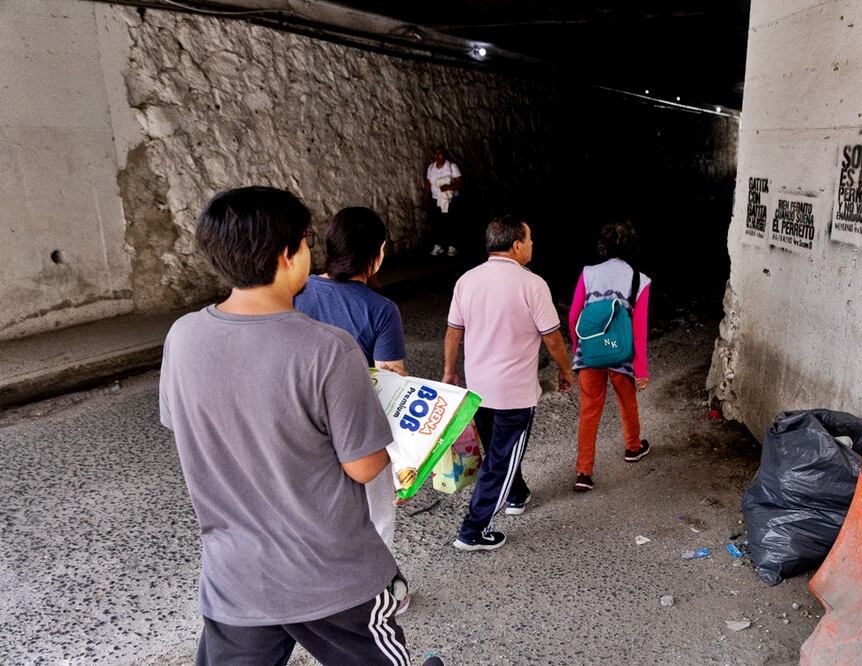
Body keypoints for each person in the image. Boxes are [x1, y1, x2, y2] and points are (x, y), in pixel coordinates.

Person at [159, 186, 419, 666]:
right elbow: (364, 467)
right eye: (304, 242)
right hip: (329, 575)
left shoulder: (183, 335)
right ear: (287, 254)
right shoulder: (329, 348)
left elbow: (192, 426)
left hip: (236, 577)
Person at [294, 206, 410, 612]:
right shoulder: (380, 309)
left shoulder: (297, 292)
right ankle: (376, 595)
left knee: (316, 512)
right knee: (376, 515)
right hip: (358, 430)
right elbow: (391, 381)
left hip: (302, 425)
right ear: (377, 255)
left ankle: (323, 590)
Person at [443, 214, 574, 551]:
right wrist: (565, 369)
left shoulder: (467, 280)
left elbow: (454, 330)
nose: (532, 245)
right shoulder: (532, 284)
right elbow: (552, 338)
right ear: (517, 246)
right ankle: (473, 530)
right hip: (513, 394)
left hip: (478, 389)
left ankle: (517, 494)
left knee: (498, 451)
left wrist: (449, 371)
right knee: (500, 460)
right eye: (529, 240)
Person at [568, 222, 652, 492]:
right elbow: (639, 329)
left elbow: (574, 316)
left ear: (603, 246)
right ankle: (633, 447)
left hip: (590, 353)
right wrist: (640, 369)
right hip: (620, 354)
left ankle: (583, 473)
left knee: (589, 412)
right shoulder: (640, 280)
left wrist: (578, 348)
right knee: (627, 403)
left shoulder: (588, 273)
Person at [423, 145, 462, 257]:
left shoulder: (451, 166)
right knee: (436, 222)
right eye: (436, 154)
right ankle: (438, 246)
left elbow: (459, 182)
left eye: (440, 154)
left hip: (450, 200)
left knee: (450, 222)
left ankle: (452, 246)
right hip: (436, 199)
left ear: (445, 155)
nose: (437, 156)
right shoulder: (431, 167)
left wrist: (449, 187)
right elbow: (428, 183)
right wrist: (426, 197)